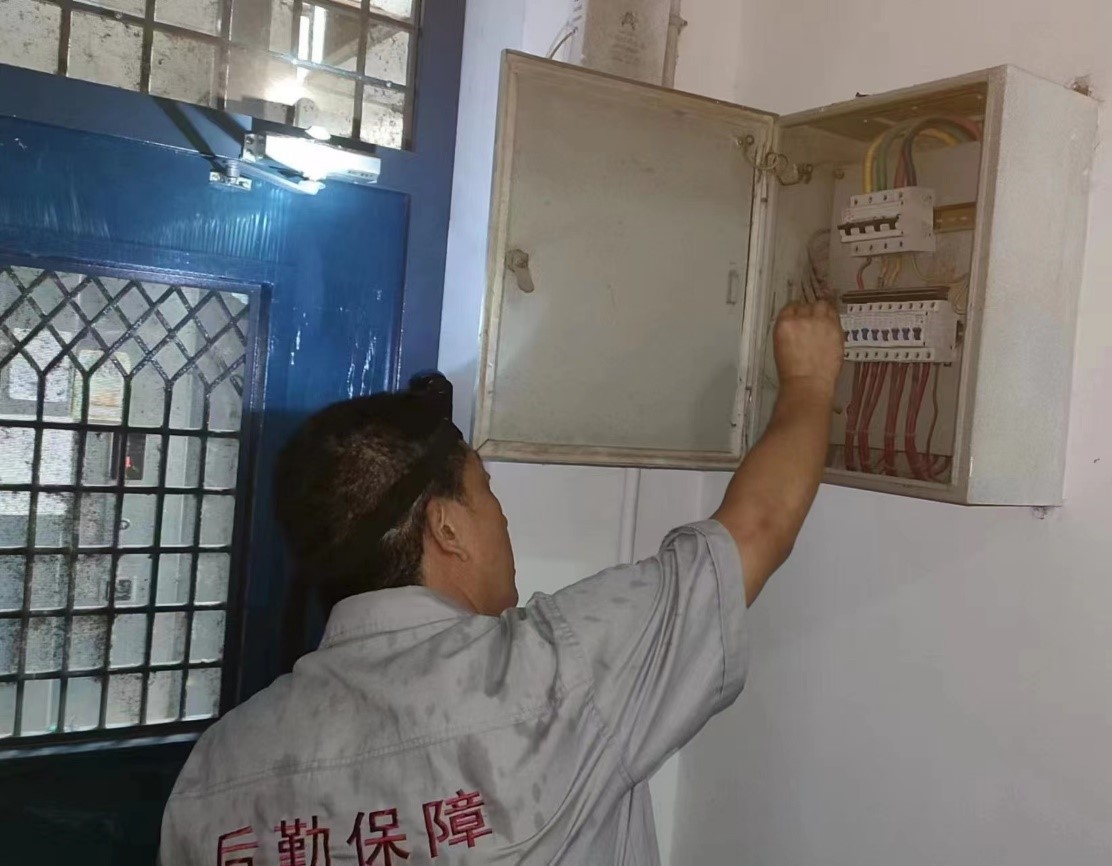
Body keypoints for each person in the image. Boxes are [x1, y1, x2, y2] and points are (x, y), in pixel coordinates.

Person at [160, 300, 844, 865]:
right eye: (486, 490)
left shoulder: (215, 770)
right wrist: (810, 381)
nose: (503, 516)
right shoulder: (551, 674)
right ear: (446, 527)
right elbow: (754, 530)